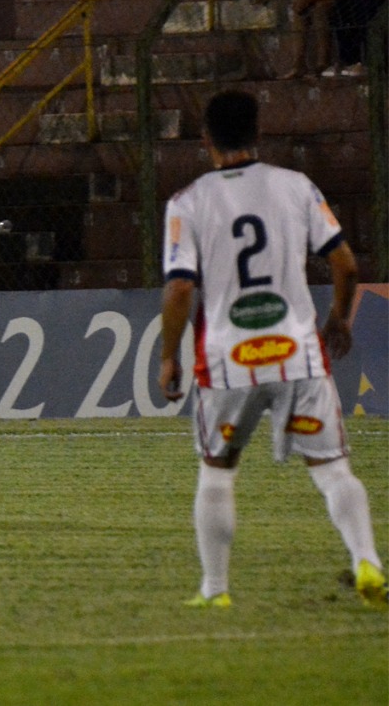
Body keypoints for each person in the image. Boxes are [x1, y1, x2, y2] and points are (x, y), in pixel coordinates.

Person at [158, 89, 386, 610]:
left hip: (227, 362)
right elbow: (346, 266)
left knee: (217, 470)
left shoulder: (188, 202)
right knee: (333, 471)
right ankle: (367, 559)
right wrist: (337, 321)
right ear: (258, 133)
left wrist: (170, 356)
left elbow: (179, 289)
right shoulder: (296, 187)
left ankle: (215, 591)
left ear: (205, 139)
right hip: (297, 353)